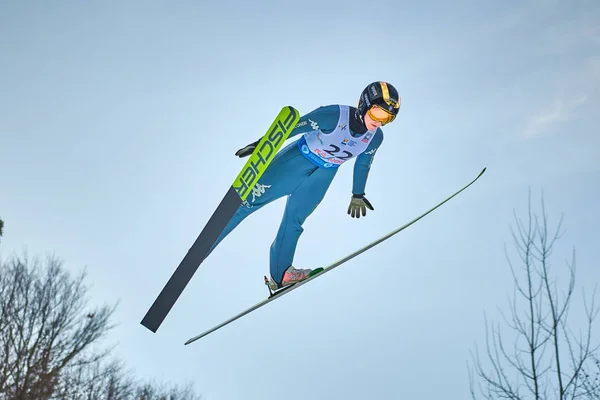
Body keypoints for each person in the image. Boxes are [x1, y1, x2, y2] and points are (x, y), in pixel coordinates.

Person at [208, 81, 401, 290]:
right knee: (246, 204)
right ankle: (205, 246)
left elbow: (363, 164)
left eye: (387, 118)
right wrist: (262, 143)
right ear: (364, 104)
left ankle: (281, 274)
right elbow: (294, 125)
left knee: (294, 222)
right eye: (378, 114)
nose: (379, 122)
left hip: (322, 176)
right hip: (295, 162)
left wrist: (357, 194)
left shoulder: (375, 138)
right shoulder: (335, 115)